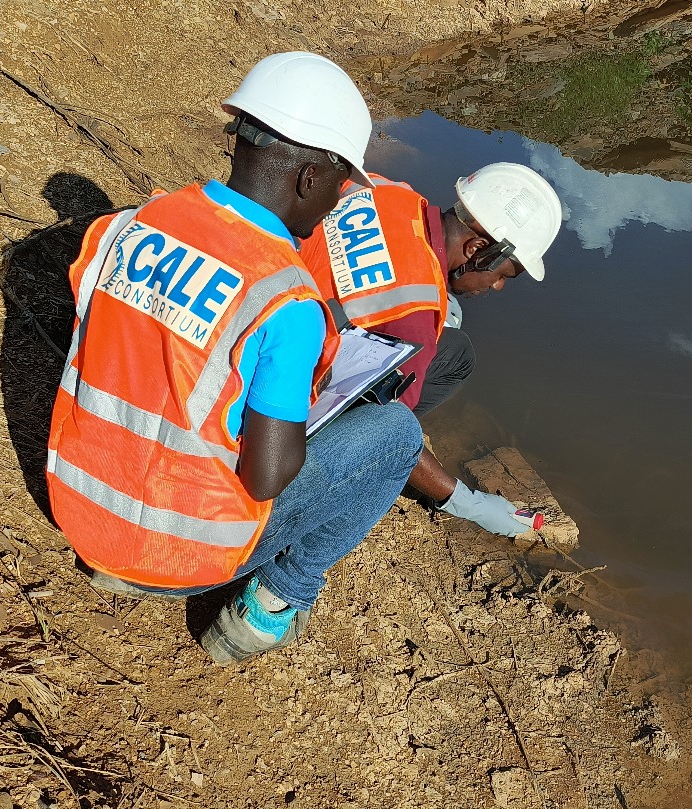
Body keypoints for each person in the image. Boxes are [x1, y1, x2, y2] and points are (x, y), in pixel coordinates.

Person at [45, 52, 424, 666]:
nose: (336, 203)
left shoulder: (128, 225)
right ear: (309, 178)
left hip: (81, 512)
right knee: (396, 433)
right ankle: (267, 609)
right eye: (340, 186)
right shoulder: (286, 299)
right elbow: (266, 477)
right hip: (176, 554)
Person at [299, 163, 563, 537]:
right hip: (280, 401)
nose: (498, 287)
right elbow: (389, 434)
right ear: (477, 249)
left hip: (277, 305)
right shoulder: (414, 319)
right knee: (389, 434)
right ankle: (286, 583)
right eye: (504, 275)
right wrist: (468, 503)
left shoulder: (391, 189)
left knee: (456, 349)